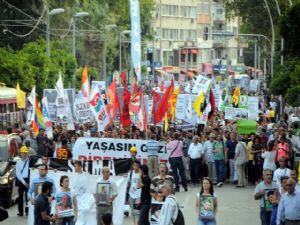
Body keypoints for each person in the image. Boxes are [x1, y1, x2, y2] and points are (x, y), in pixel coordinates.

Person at [16, 146, 30, 216]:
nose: (24, 154)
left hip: (28, 179)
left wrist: (27, 182)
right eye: (23, 153)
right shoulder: (18, 162)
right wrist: (24, 183)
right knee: (20, 196)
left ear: (27, 153)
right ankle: (20, 211)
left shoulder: (29, 162)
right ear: (20, 153)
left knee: (28, 196)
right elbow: (18, 174)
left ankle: (27, 210)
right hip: (21, 181)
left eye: (25, 153)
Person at [127, 160, 141, 225]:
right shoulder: (130, 173)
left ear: (139, 166)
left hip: (139, 196)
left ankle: (137, 223)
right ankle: (133, 223)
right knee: (132, 211)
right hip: (131, 195)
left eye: (137, 165)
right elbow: (128, 183)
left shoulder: (141, 174)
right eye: (134, 165)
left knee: (138, 212)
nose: (135, 167)